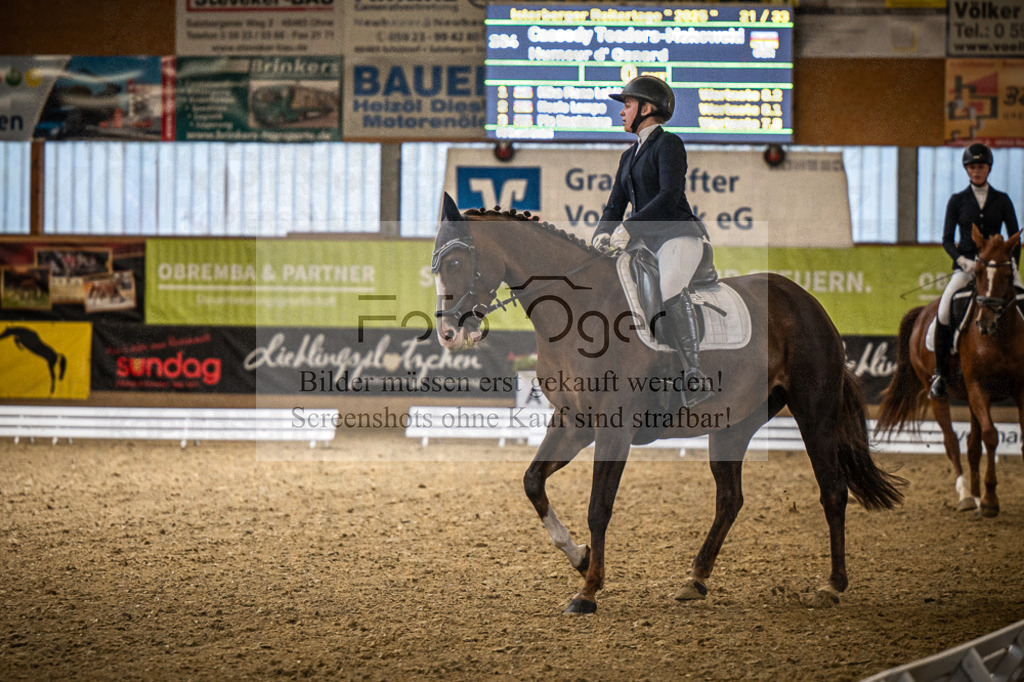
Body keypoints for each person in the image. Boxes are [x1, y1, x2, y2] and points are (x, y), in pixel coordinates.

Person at [591, 75, 711, 408]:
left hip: (677, 235)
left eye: (627, 106)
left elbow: (669, 196)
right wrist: (601, 234)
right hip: (643, 241)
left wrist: (631, 226)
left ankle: (694, 373)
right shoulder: (628, 157)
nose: (621, 113)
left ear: (646, 108)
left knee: (669, 288)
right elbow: (614, 204)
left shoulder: (669, 143)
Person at [929, 142, 1021, 400]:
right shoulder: (958, 201)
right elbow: (947, 239)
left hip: (998, 268)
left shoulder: (1002, 200)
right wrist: (962, 260)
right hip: (968, 267)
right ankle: (939, 374)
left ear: (988, 169)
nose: (976, 171)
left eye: (980, 167)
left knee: (1023, 301)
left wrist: (1012, 263)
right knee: (945, 309)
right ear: (967, 170)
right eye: (972, 167)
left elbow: (1015, 236)